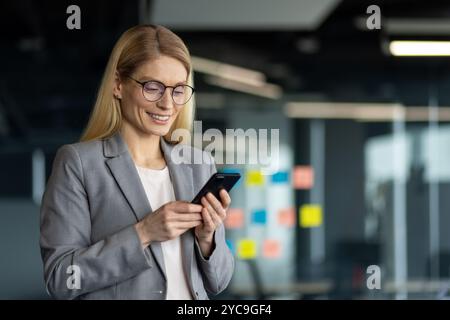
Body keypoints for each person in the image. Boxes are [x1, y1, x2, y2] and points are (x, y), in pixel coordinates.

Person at [39, 24, 234, 300]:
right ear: (118, 85)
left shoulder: (199, 164)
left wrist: (207, 240)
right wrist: (143, 233)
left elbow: (220, 281)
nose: (167, 104)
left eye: (178, 90)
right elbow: (61, 278)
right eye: (153, 87)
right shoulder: (79, 163)